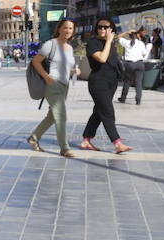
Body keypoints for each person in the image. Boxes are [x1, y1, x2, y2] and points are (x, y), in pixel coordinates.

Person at [26, 18, 79, 157]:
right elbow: (36, 61)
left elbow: (64, 67)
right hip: (52, 84)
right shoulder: (51, 44)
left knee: (52, 116)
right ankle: (64, 148)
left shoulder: (69, 47)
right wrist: (46, 76)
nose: (68, 31)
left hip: (64, 85)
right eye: (65, 27)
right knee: (61, 116)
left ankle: (34, 138)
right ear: (59, 29)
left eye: (71, 28)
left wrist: (74, 71)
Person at [80, 18, 134, 153]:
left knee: (99, 111)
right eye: (100, 27)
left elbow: (117, 37)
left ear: (111, 29)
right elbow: (102, 59)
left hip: (112, 82)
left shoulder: (110, 42)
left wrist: (125, 32)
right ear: (96, 28)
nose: (103, 29)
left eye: (106, 27)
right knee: (108, 111)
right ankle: (117, 142)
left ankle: (86, 140)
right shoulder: (92, 43)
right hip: (98, 82)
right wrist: (109, 41)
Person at [118, 27, 151, 105]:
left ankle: (123, 98)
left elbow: (118, 37)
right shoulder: (141, 43)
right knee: (138, 82)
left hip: (129, 64)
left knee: (127, 81)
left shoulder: (126, 42)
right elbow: (144, 54)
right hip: (139, 64)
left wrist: (126, 31)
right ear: (137, 35)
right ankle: (138, 100)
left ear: (130, 36)